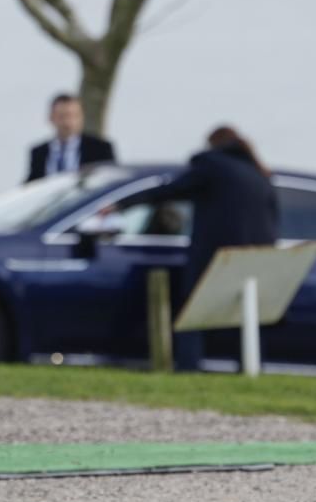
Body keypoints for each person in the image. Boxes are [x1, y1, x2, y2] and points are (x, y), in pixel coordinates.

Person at [112, 125, 277, 372]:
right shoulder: (258, 174)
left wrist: (122, 203)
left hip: (217, 255)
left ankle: (189, 368)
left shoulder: (211, 165)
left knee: (193, 314)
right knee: (248, 317)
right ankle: (251, 368)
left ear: (212, 144)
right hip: (255, 257)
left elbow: (170, 190)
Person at [26, 93, 115, 182]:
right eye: (62, 116)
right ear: (51, 118)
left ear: (82, 117)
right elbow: (31, 185)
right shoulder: (39, 152)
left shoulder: (100, 148)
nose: (68, 123)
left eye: (74, 116)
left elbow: (110, 181)